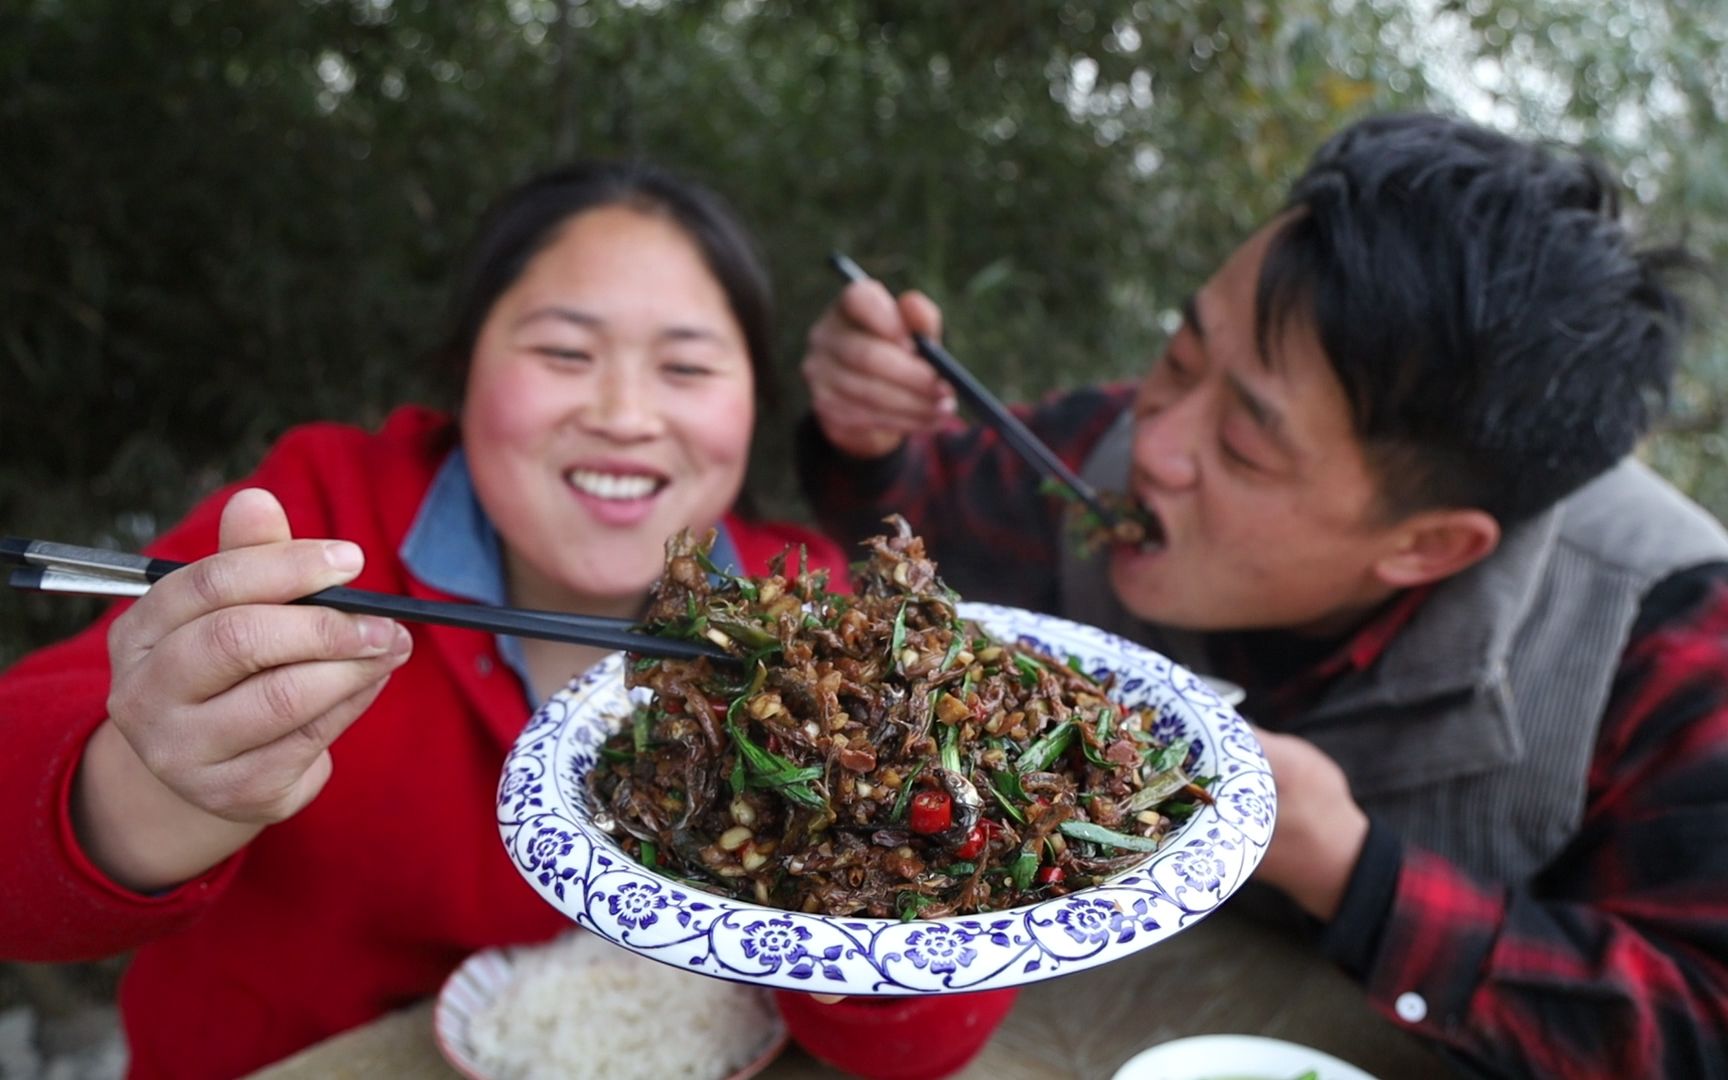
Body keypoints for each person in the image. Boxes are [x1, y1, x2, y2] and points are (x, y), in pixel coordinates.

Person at [796, 113, 1728, 1078]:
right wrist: (871, 429)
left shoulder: (1667, 635)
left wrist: (1358, 875)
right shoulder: (1111, 447)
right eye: (1183, 356)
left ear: (1428, 546)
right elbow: (913, 513)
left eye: (1244, 447)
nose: (1155, 445)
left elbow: (1696, 1024)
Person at [0, 160, 862, 1079]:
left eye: (687, 367)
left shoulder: (812, 613)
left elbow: (905, 1022)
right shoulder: (320, 512)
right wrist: (154, 785)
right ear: (466, 366)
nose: (624, 414)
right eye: (566, 354)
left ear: (755, 402)